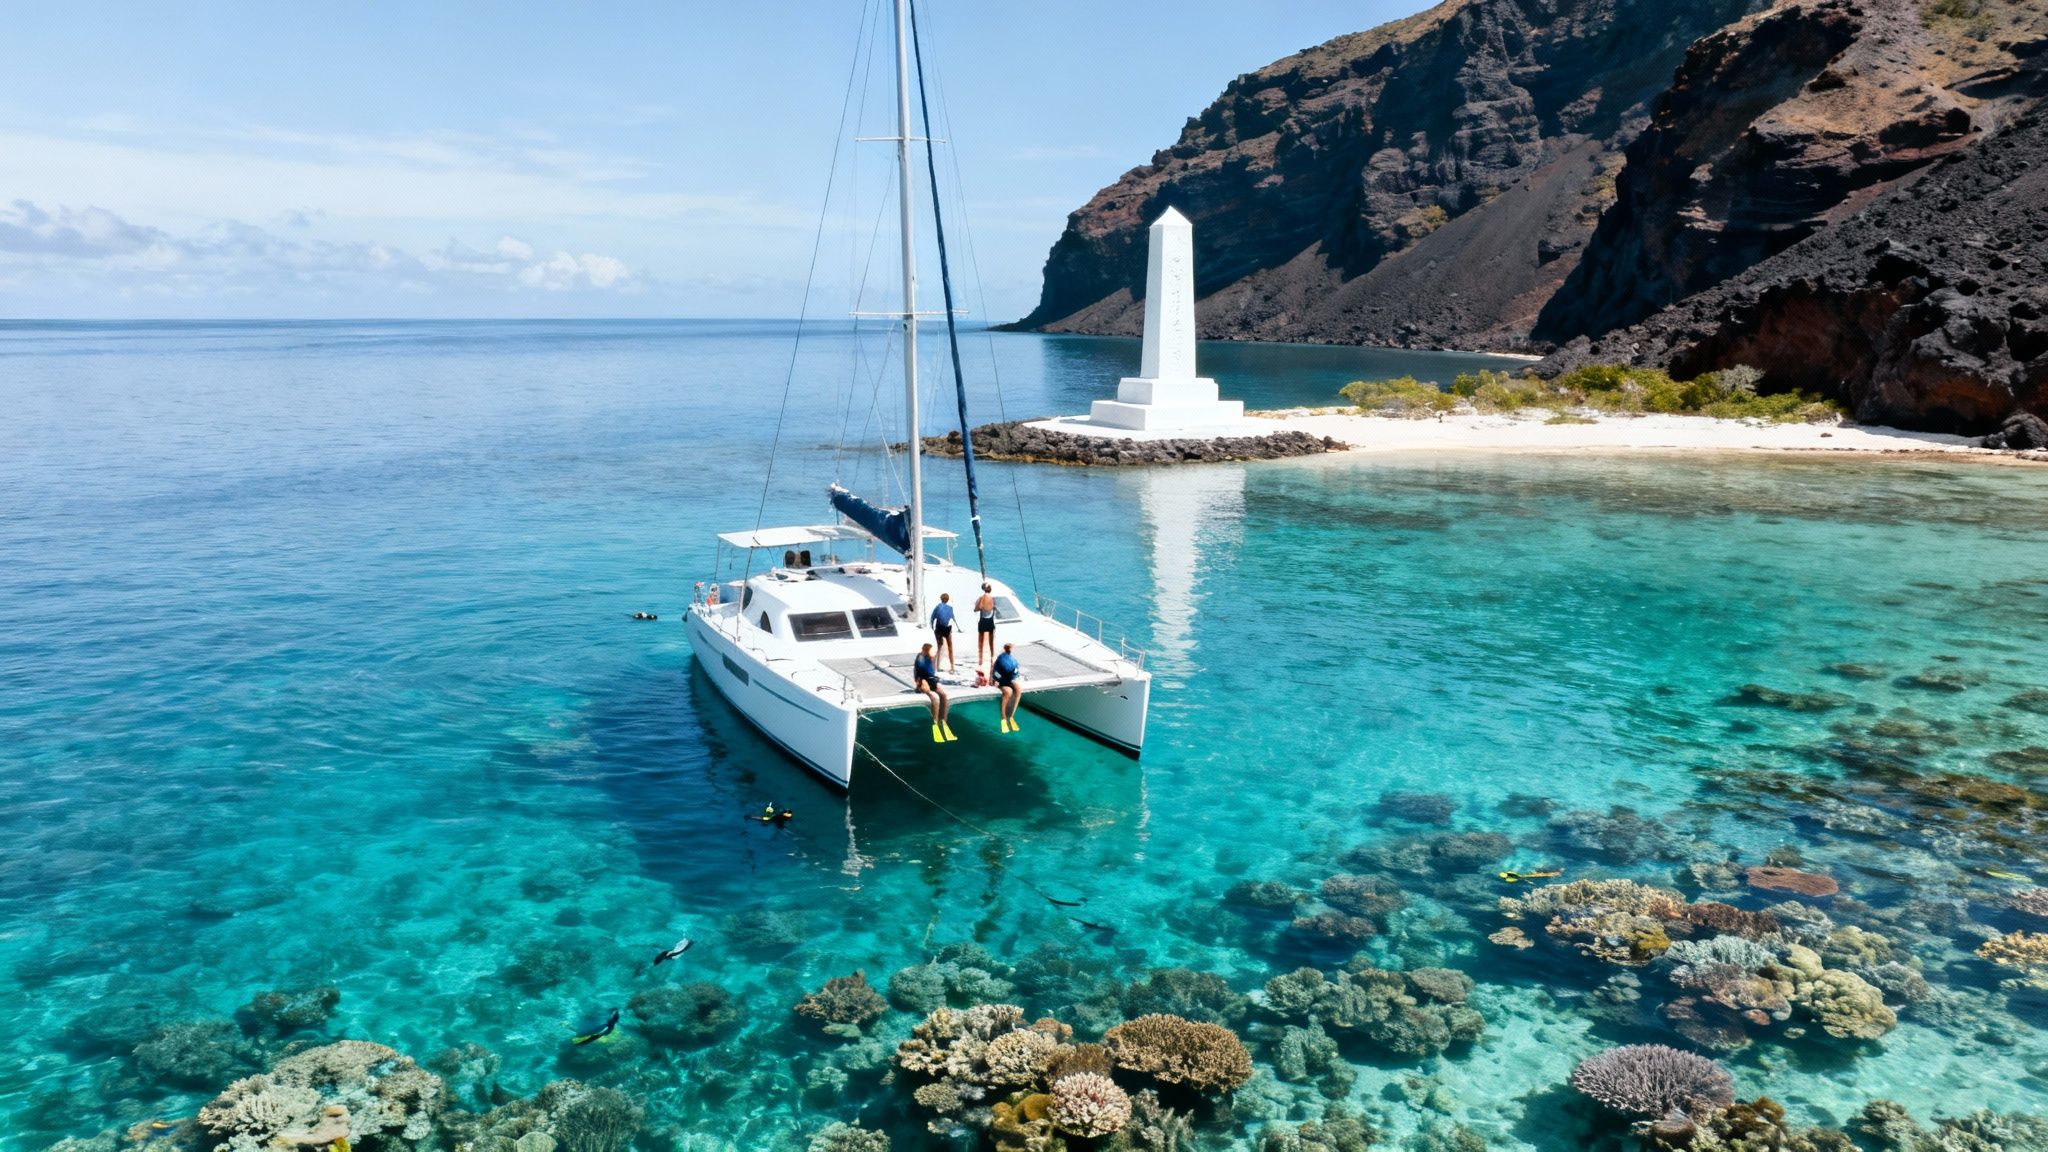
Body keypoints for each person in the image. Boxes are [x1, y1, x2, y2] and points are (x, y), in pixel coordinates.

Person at [913, 642, 953, 742]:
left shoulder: (930, 658)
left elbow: (931, 672)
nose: (935, 653)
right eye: (932, 651)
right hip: (923, 681)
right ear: (926, 650)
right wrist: (918, 684)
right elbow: (917, 672)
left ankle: (943, 721)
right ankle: (935, 723)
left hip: (931, 681)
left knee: (944, 695)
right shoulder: (920, 658)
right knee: (934, 698)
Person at [992, 642, 1023, 733]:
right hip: (1000, 680)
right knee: (1007, 692)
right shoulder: (1001, 659)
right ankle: (1003, 718)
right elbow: (995, 672)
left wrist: (1013, 677)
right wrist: (995, 681)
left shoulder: (1012, 659)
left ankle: (1011, 716)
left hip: (1008, 678)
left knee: (1018, 689)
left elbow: (1016, 671)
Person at [929, 592, 957, 673]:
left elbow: (932, 618)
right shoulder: (950, 608)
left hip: (939, 629)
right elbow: (953, 619)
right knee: (950, 647)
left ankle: (936, 667)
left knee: (939, 647)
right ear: (947, 600)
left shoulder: (938, 607)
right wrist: (958, 629)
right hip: (947, 629)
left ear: (941, 599)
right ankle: (952, 667)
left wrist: (931, 627)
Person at [974, 583, 998, 666]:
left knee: (981, 641)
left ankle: (980, 658)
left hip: (983, 620)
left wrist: (976, 609)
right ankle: (991, 657)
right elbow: (991, 607)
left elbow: (979, 607)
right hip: (990, 621)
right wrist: (990, 608)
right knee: (991, 642)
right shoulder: (991, 598)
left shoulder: (982, 597)